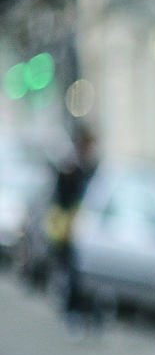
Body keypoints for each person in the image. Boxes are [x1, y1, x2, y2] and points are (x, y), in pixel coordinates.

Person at [46, 123, 100, 337]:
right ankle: (73, 312)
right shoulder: (70, 167)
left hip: (83, 228)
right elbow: (62, 198)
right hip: (68, 228)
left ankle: (83, 313)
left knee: (78, 273)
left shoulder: (89, 167)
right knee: (71, 272)